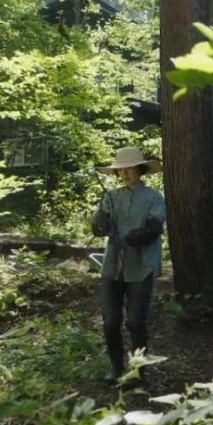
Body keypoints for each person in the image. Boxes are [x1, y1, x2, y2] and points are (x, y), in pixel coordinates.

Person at [91, 147, 165, 384]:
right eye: (120, 169)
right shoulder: (110, 197)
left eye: (129, 168)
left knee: (135, 322)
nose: (124, 173)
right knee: (110, 320)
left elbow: (155, 228)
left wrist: (132, 237)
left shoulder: (154, 198)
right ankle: (115, 367)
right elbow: (97, 228)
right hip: (112, 265)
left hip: (141, 265)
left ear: (140, 170)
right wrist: (101, 222)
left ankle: (138, 371)